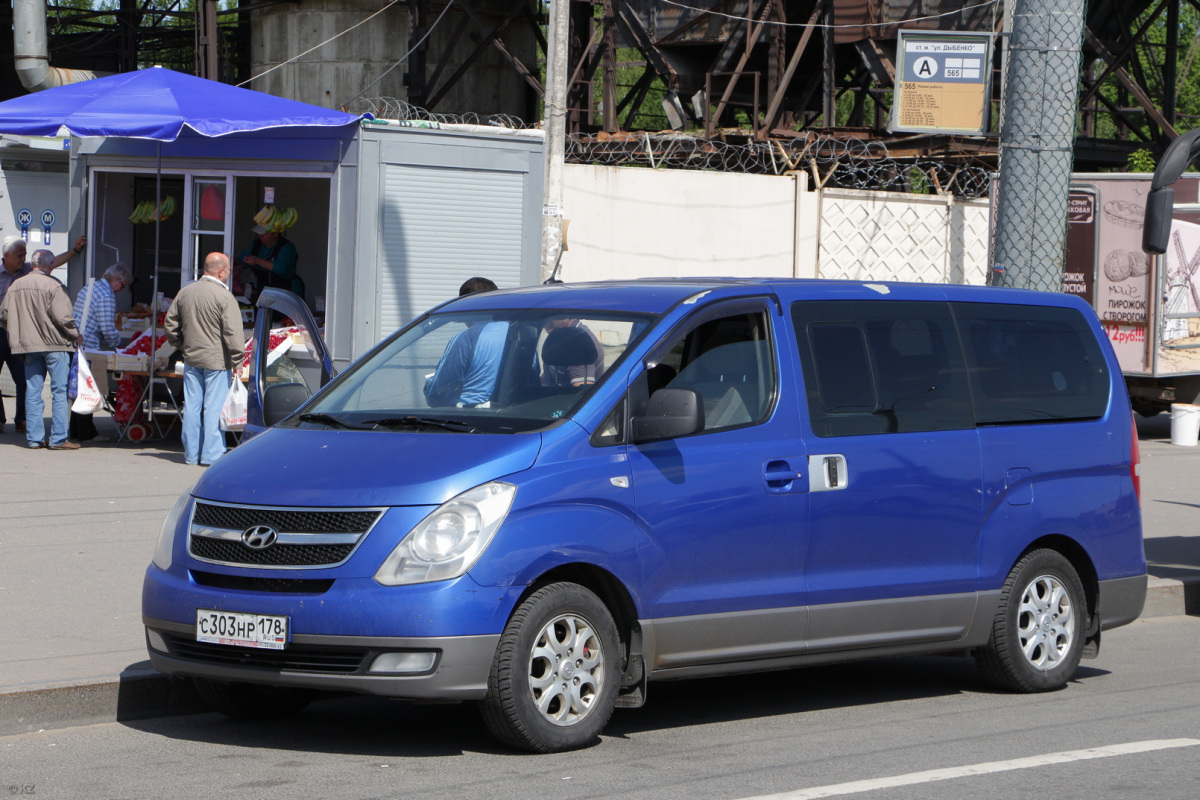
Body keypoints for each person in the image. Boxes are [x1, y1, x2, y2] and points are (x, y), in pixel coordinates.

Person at [164, 253, 245, 466]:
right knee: (214, 407)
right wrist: (238, 360)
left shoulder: (186, 292)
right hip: (217, 361)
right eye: (228, 270)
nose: (228, 274)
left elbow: (170, 324)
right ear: (220, 271)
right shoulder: (224, 297)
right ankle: (211, 454)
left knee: (191, 406)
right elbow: (233, 332)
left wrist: (181, 345)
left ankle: (191, 454)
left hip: (192, 358)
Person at [0, 234, 86, 434]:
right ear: (6, 256)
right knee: (49, 387)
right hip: (5, 332)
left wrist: (74, 251)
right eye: (19, 256)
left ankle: (23, 421)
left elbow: (52, 262)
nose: (24, 259)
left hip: (21, 333)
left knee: (24, 380)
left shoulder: (29, 271)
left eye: (25, 255)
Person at [69, 264, 132, 442]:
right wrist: (120, 347)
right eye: (124, 285)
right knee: (88, 389)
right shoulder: (106, 295)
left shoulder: (91, 287)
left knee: (80, 390)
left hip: (78, 343)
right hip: (88, 346)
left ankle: (76, 430)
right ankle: (86, 433)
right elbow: (107, 328)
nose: (122, 289)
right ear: (115, 280)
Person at [423, 277, 506, 407]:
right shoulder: (517, 333)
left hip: (469, 418)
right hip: (517, 415)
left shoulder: (465, 339)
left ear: (465, 305)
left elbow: (439, 395)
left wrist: (429, 385)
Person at [237, 223, 300, 299]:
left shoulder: (287, 247)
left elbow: (282, 268)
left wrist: (257, 261)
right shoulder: (255, 245)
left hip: (286, 291)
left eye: (265, 233)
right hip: (264, 290)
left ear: (275, 233)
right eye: (259, 233)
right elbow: (241, 260)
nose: (261, 236)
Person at [541, 317, 606, 387]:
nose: (546, 326)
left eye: (551, 320)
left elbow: (582, 391)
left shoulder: (577, 340)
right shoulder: (561, 337)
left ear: (567, 317)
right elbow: (547, 378)